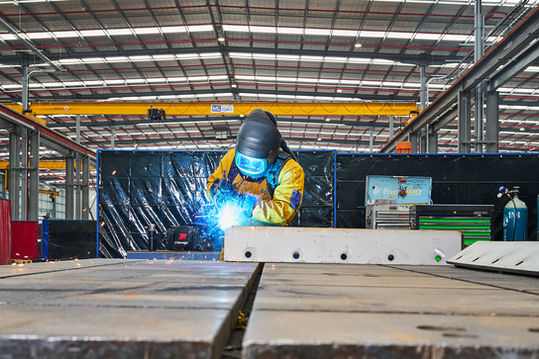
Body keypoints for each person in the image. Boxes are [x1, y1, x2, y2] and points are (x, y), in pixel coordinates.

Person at [207, 108, 305, 226]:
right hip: (233, 231)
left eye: (256, 164)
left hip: (269, 238)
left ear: (271, 155)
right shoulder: (231, 157)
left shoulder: (290, 170)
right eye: (243, 161)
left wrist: (246, 204)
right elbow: (211, 183)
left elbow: (284, 213)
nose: (248, 169)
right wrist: (216, 191)